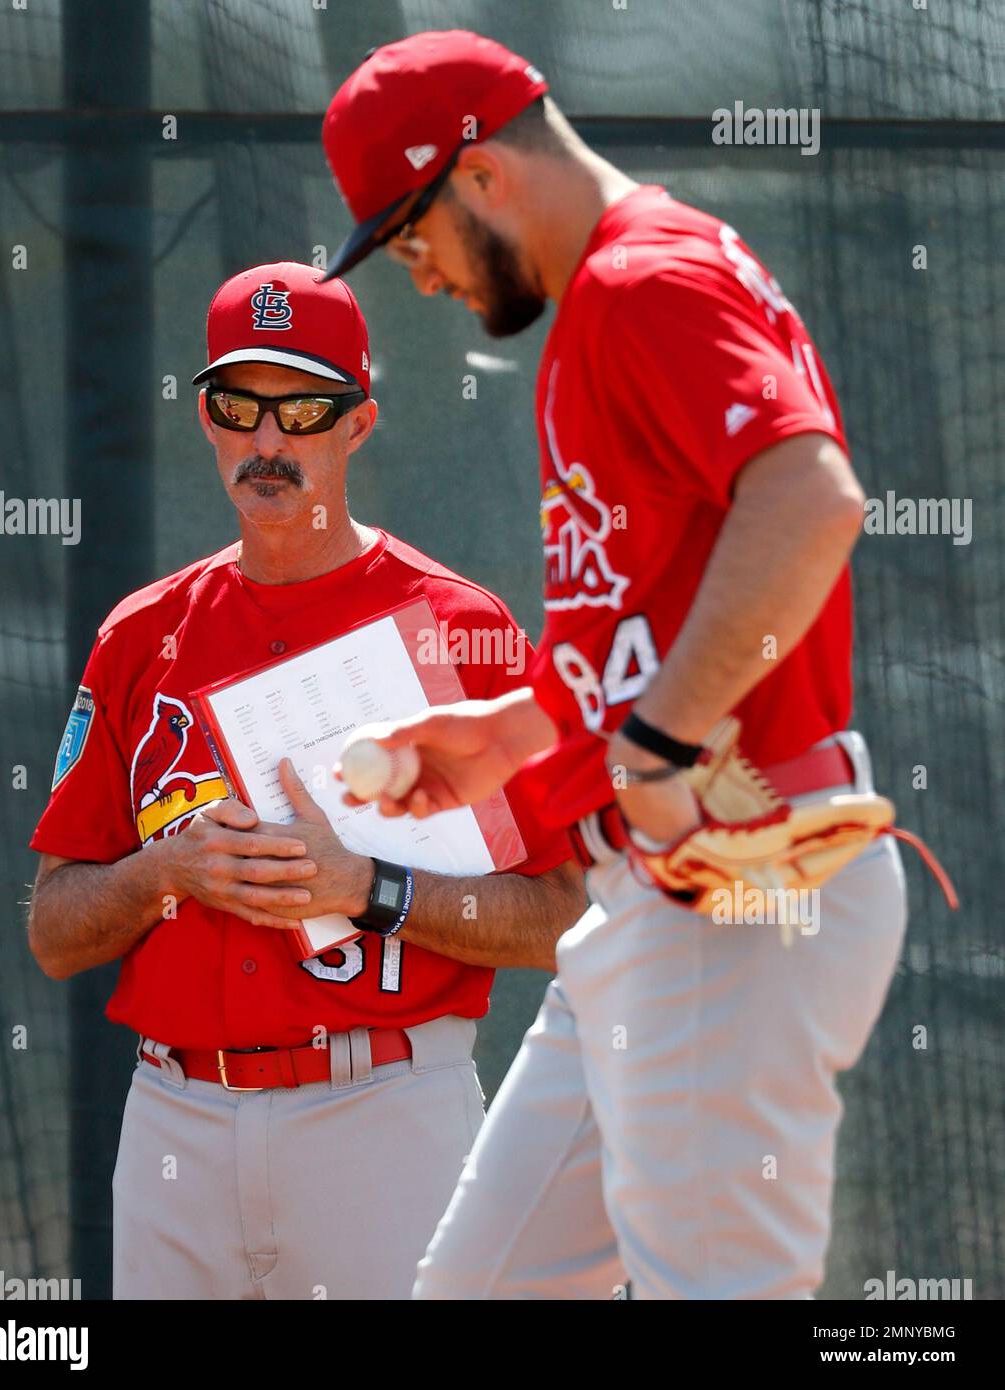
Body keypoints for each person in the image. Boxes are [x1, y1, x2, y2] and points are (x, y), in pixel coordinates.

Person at [320, 31, 911, 1299]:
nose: (414, 277)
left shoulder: (646, 278)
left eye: (407, 235)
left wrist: (657, 744)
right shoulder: (611, 295)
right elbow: (650, 612)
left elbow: (810, 503)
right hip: (647, 902)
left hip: (732, 881)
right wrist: (518, 731)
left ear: (477, 173)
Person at [27, 259, 585, 1301]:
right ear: (207, 417)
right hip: (175, 1116)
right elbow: (56, 930)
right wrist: (167, 870)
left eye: (304, 407)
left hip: (383, 1110)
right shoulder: (141, 638)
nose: (268, 440)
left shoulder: (460, 631)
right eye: (240, 405)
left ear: (358, 424)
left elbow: (562, 917)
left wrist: (369, 885)